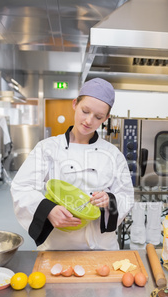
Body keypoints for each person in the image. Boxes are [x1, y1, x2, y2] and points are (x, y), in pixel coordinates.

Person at [11, 78, 134, 250]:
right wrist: (49, 210)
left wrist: (109, 201)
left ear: (106, 118)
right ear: (75, 104)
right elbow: (21, 187)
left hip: (101, 246)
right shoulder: (48, 148)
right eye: (85, 111)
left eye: (98, 117)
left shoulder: (113, 155)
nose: (89, 121)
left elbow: (126, 195)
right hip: (58, 245)